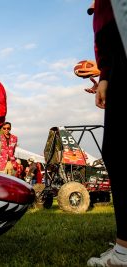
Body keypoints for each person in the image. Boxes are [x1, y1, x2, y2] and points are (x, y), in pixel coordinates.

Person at [86, 1, 127, 266]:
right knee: (115, 152)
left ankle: (124, 251)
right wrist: (105, 75)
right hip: (117, 63)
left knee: (118, 151)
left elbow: (113, 28)